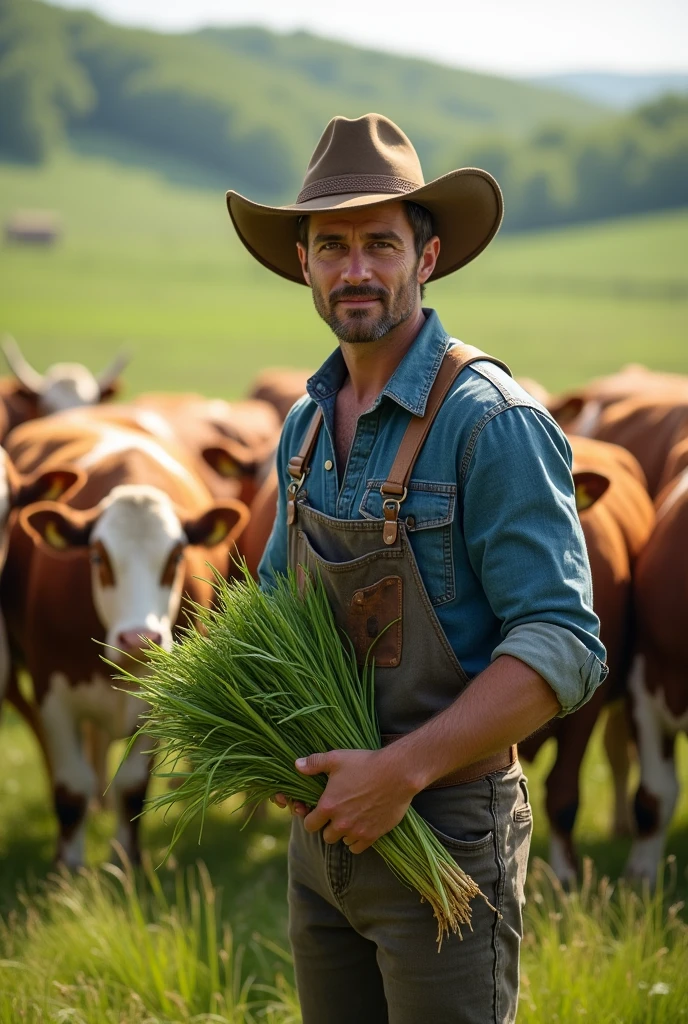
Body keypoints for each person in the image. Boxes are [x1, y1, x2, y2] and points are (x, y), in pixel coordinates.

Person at [225, 113, 606, 1024]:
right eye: (333, 246)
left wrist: (401, 771)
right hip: (323, 842)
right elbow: (276, 605)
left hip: (447, 830)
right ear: (305, 265)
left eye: (381, 245)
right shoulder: (306, 426)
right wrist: (255, 722)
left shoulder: (492, 423)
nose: (356, 269)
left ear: (426, 258)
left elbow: (562, 645)